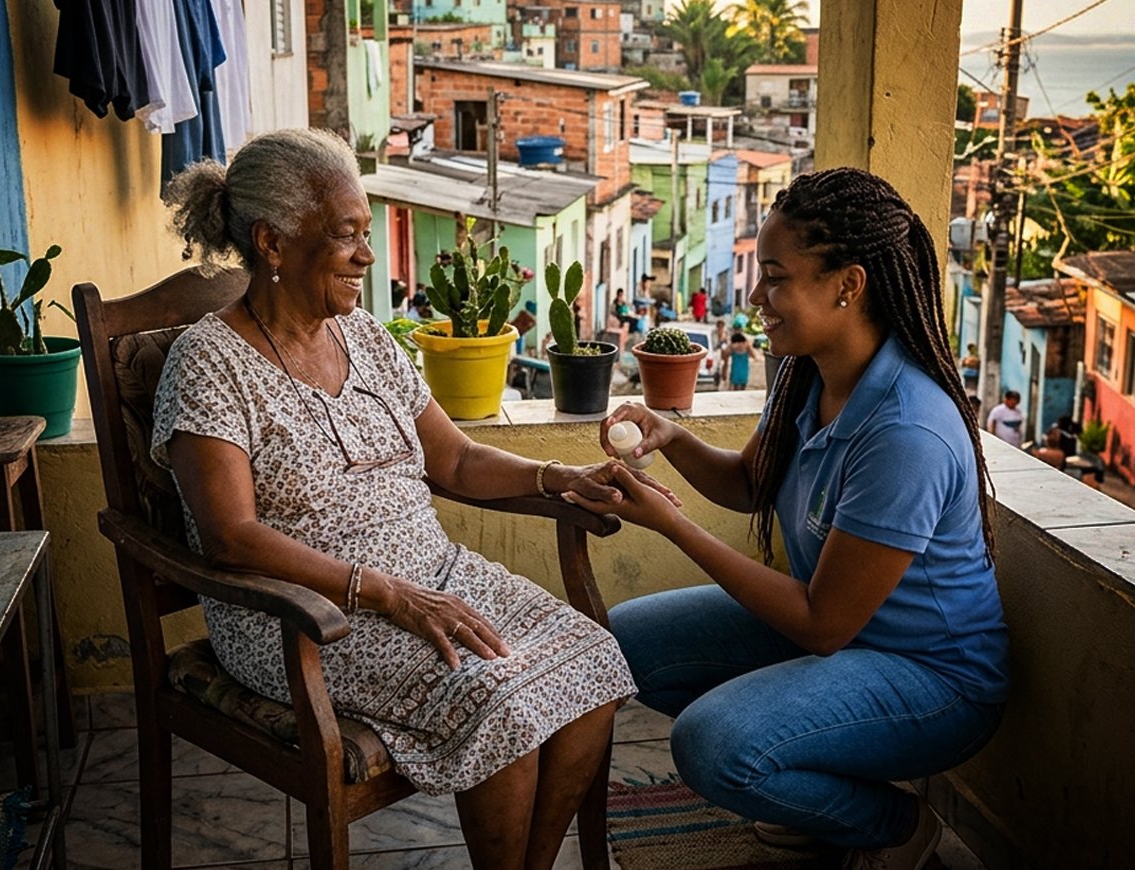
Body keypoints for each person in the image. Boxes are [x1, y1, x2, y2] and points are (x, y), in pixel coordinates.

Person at [155, 128, 650, 869]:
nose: (368, 255)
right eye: (346, 235)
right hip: (302, 615)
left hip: (434, 578)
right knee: (501, 701)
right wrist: (389, 594)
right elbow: (232, 536)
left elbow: (455, 457)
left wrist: (557, 477)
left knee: (593, 661)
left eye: (366, 233)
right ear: (272, 242)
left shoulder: (364, 336)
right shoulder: (208, 361)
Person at [569, 167, 1007, 870]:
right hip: (841, 644)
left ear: (847, 285)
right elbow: (751, 483)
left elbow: (821, 622)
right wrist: (670, 435)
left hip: (931, 682)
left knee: (713, 744)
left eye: (775, 278)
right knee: (624, 642)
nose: (754, 297)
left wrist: (671, 523)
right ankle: (813, 789)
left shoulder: (907, 431)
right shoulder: (810, 373)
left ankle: (893, 826)